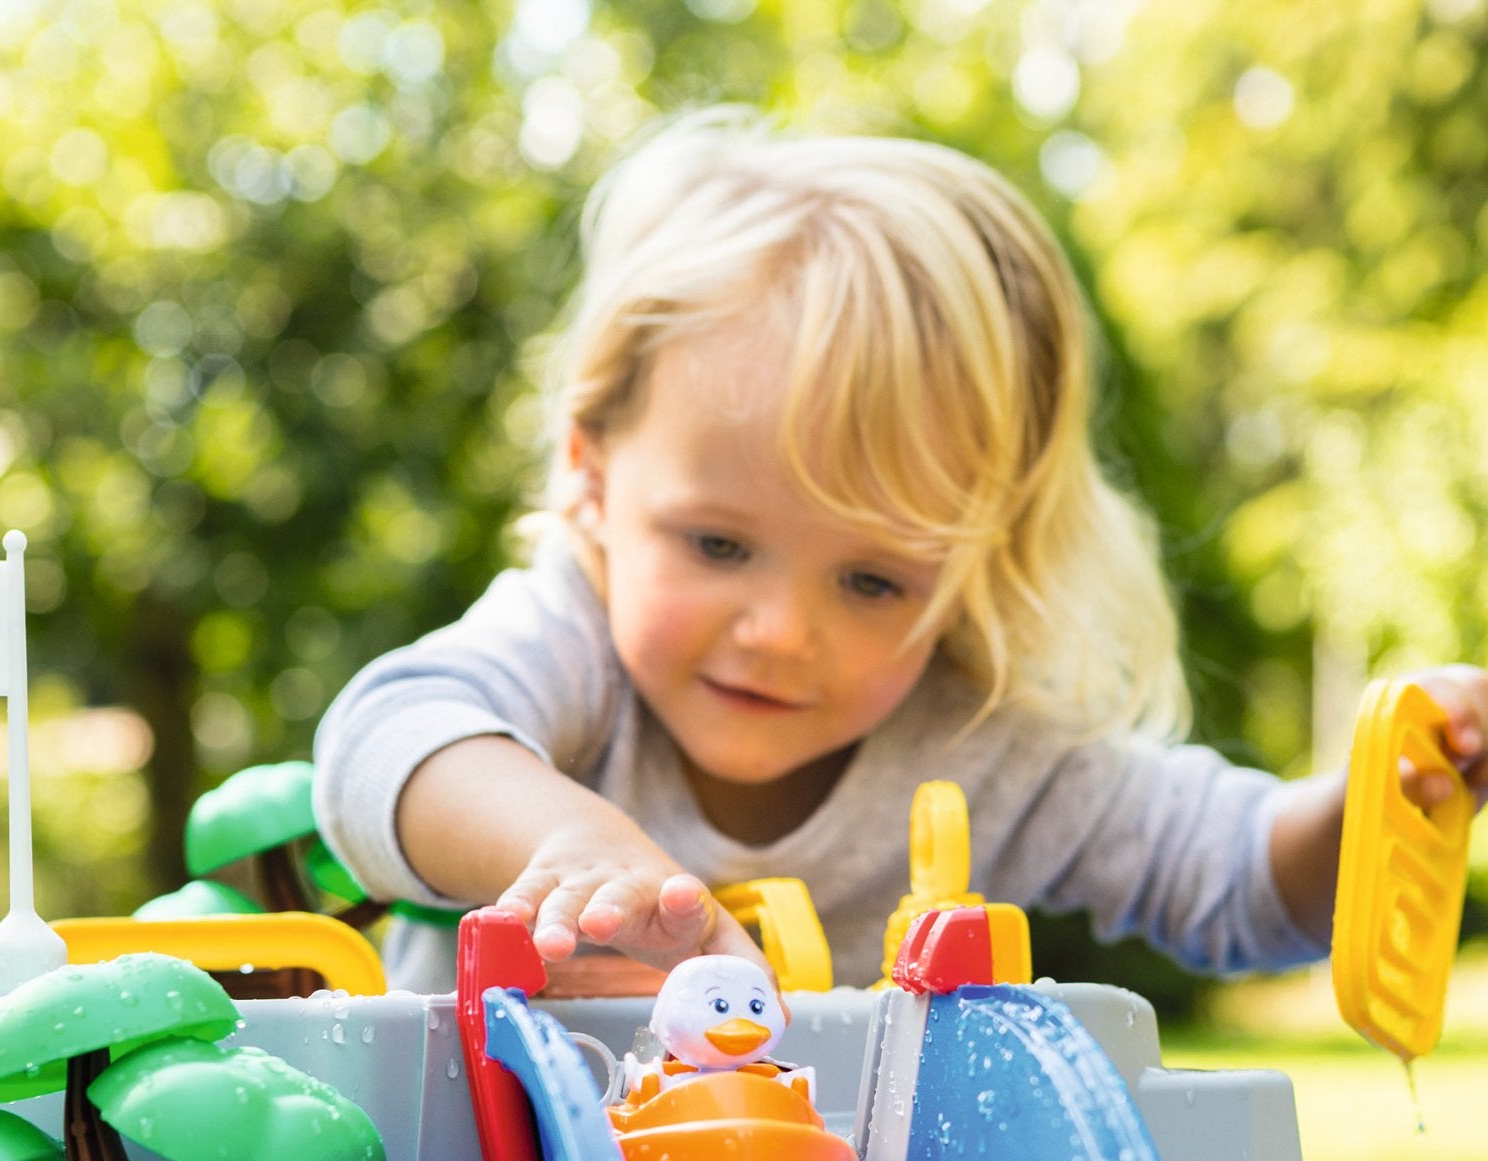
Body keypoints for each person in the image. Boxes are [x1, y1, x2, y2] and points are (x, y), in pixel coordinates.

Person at [313, 109, 1488, 997]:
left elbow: (1233, 879)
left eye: (874, 580)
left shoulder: (980, 746)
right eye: (719, 543)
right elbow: (383, 741)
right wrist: (571, 840)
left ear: (979, 561)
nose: (780, 628)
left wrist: (1375, 804)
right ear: (591, 470)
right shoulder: (572, 646)